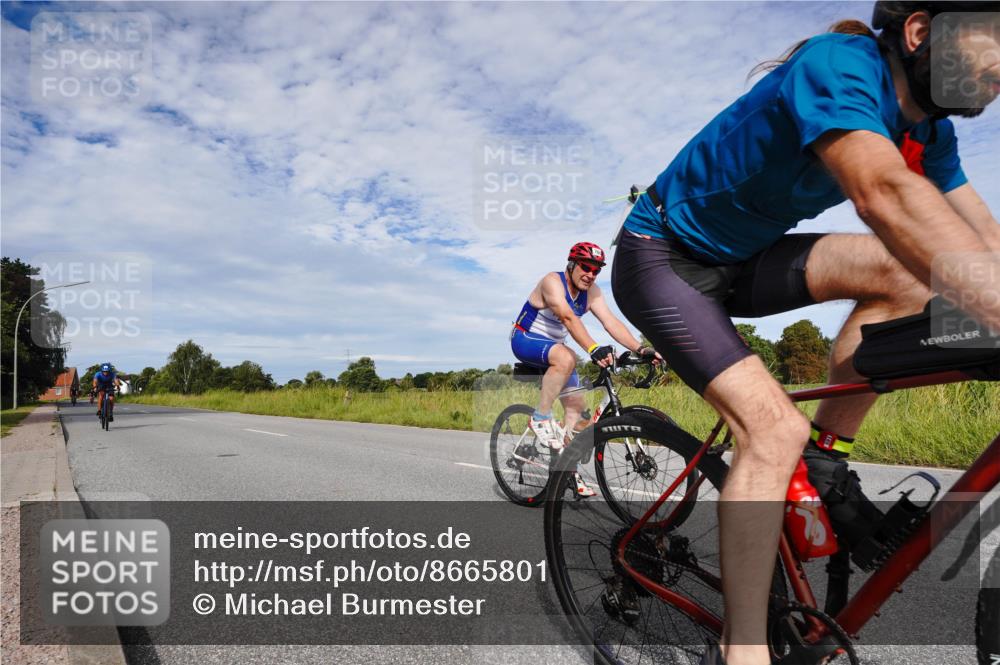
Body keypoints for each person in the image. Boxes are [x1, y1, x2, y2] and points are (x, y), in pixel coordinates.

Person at [608, 3, 1000, 664]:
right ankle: (744, 646)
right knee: (770, 429)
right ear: (922, 32)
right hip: (663, 255)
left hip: (742, 261)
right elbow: (882, 191)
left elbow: (981, 235)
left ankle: (824, 455)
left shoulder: (929, 133)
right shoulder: (836, 65)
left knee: (912, 275)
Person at [512, 241, 660, 497]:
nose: (590, 274)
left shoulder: (592, 292)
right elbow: (568, 317)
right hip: (525, 338)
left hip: (556, 348)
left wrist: (639, 348)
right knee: (568, 356)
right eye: (586, 267)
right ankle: (539, 418)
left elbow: (610, 322)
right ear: (571, 264)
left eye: (596, 270)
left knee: (578, 415)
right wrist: (593, 349)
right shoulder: (552, 282)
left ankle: (568, 471)